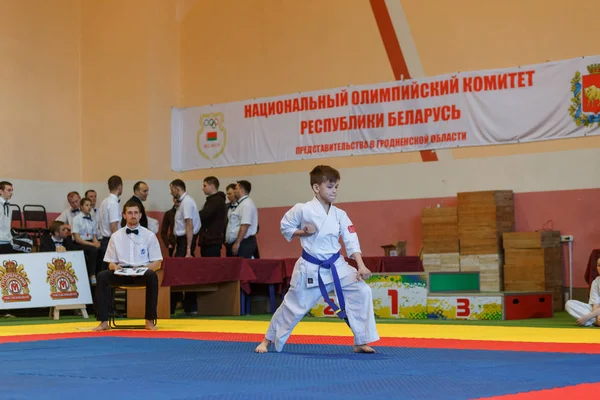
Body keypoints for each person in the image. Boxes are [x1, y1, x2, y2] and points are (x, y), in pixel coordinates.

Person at [255, 165, 379, 354]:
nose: (334, 191)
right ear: (316, 188)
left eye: (336, 186)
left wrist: (361, 266)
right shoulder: (302, 209)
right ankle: (267, 340)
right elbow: (285, 227)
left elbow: (351, 240)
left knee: (362, 291)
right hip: (311, 267)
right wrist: (302, 232)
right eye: (330, 187)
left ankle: (361, 341)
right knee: (293, 306)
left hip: (337, 265)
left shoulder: (340, 215)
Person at [93, 200, 163, 331]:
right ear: (124, 215)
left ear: (141, 215)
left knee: (152, 276)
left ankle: (149, 321)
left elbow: (158, 262)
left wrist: (145, 269)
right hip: (122, 272)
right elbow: (110, 262)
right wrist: (115, 267)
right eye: (130, 213)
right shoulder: (116, 236)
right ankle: (103, 322)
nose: (133, 215)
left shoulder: (149, 236)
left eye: (136, 212)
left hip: (142, 272)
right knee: (102, 276)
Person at [71, 197, 102, 285]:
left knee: (101, 249)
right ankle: (91, 275)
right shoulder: (76, 219)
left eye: (90, 205)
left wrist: (96, 243)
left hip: (90, 242)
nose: (89, 207)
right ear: (81, 207)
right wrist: (93, 245)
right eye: (87, 205)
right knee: (93, 250)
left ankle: (98, 273)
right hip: (79, 243)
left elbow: (94, 236)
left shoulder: (93, 219)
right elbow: (77, 238)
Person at [225, 180, 258, 258]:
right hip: (240, 242)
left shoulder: (246, 204)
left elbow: (245, 225)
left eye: (236, 189)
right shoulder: (242, 204)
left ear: (242, 190)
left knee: (241, 268)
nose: (234, 191)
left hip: (244, 243)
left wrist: (237, 242)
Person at [566, 258, 600, 327]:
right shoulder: (596, 282)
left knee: (589, 316)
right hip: (597, 312)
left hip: (595, 314)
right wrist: (597, 317)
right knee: (569, 304)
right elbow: (595, 305)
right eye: (599, 265)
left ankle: (592, 322)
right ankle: (596, 322)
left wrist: (587, 317)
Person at [199, 176, 226, 257]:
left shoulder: (216, 200)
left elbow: (204, 214)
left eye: (205, 186)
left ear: (212, 186)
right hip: (209, 240)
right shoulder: (212, 200)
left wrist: (193, 215)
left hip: (212, 240)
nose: (203, 188)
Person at [0, 181, 14, 254]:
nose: (11, 192)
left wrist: (11, 240)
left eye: (12, 190)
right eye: (9, 190)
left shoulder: (8, 206)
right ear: (1, 191)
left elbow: (8, 226)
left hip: (7, 241)